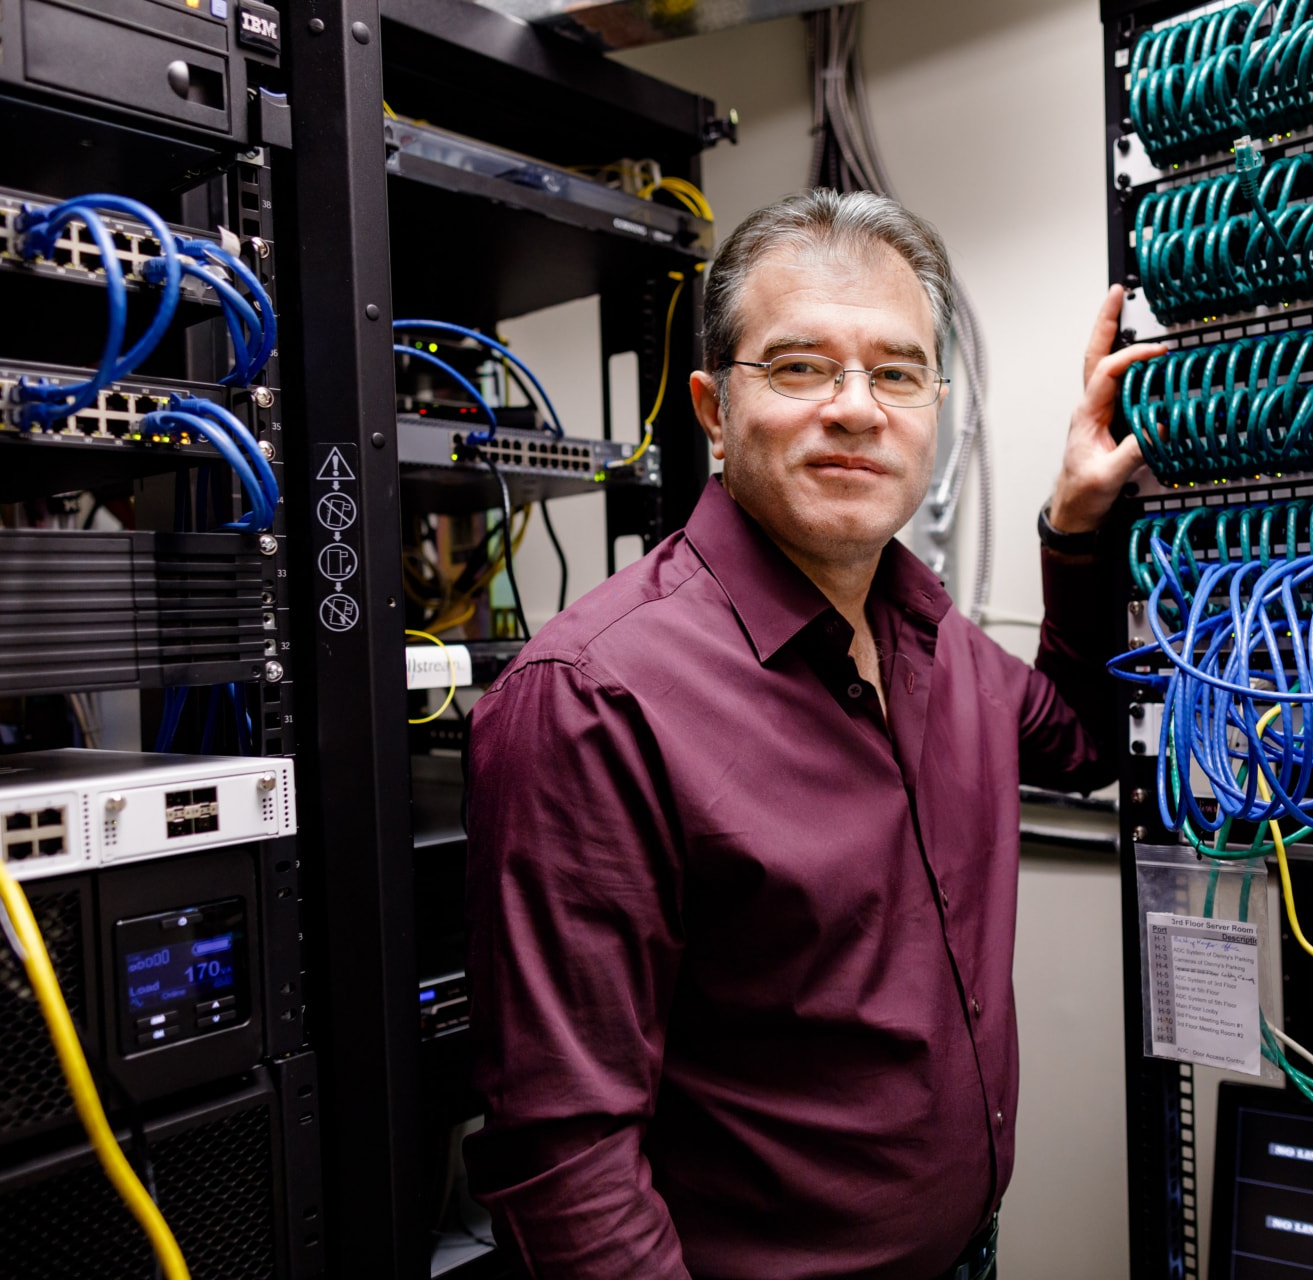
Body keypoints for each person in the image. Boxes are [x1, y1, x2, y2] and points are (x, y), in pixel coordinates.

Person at [464, 189, 1164, 1280]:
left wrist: (1073, 526)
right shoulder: (593, 697)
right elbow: (568, 1162)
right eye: (799, 367)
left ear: (936, 402)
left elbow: (1082, 739)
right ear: (710, 405)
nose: (855, 407)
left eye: (896, 372)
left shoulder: (934, 637)